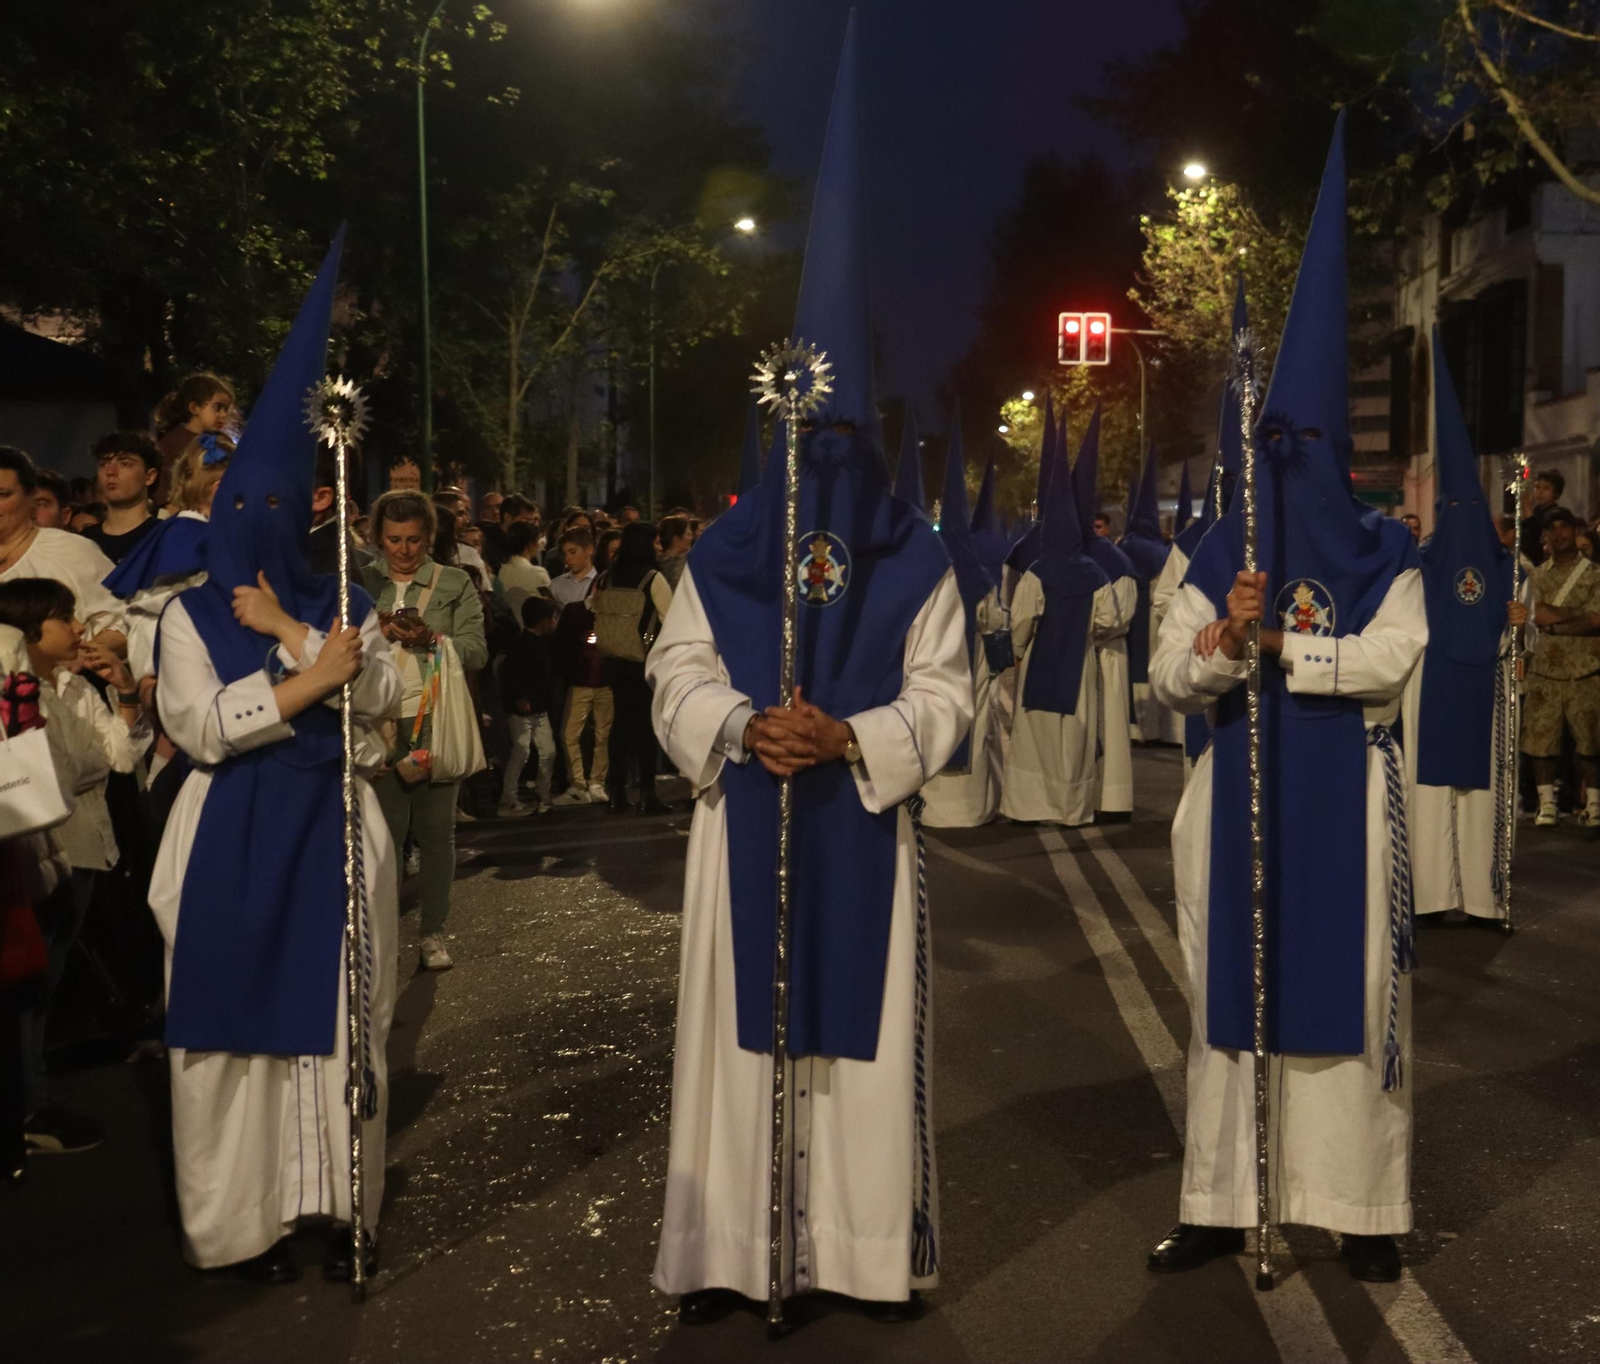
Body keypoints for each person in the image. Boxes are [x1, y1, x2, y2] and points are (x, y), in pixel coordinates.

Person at [648, 20, 971, 1319]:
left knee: (859, 1041)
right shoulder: (726, 553)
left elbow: (946, 692)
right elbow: (673, 674)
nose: (822, 454)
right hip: (743, 821)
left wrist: (848, 737)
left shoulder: (914, 555)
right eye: (804, 430)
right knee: (738, 1041)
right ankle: (732, 1251)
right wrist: (741, 726)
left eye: (840, 431)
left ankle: (853, 1253)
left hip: (860, 823)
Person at [1147, 117, 1424, 1285]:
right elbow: (1167, 674)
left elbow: (1393, 657)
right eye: (1277, 437)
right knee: (1226, 992)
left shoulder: (1383, 548)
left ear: (1338, 444)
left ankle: (1359, 1207)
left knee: (1349, 992)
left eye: (1309, 437)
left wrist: (1282, 647)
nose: (1291, 454)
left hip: (1345, 798)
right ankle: (1220, 1199)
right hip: (1232, 798)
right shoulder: (1217, 548)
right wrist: (1220, 641)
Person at [150, 236, 403, 1283]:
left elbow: (383, 699)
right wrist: (308, 682)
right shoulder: (183, 616)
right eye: (237, 505)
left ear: (306, 510)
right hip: (227, 832)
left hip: (330, 830)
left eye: (275, 507)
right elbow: (202, 727)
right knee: (232, 1044)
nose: (255, 523)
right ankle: (239, 1221)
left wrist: (298, 634)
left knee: (340, 1023)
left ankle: (335, 1203)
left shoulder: (346, 605)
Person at [0, 579, 147, 1156]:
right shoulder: (18, 697)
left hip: (87, 847)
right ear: (29, 629)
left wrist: (125, 692)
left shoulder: (73, 686)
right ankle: (29, 1108)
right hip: (42, 855)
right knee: (29, 988)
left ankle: (33, 1100)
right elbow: (58, 775)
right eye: (65, 618)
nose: (81, 628)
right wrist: (94, 757)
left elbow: (122, 756)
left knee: (46, 986)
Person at [1405, 328, 1518, 927]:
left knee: (1481, 797)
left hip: (1485, 690)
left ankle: (1481, 895)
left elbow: (1521, 631)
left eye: (1471, 509)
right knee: (1428, 797)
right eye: (1455, 509)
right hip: (1429, 684)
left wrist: (1519, 621)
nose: (1463, 519)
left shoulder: (1508, 568)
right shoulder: (1416, 562)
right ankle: (1430, 895)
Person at [364, 490, 487, 970]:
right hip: (377, 723)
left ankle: (433, 932)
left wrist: (432, 638)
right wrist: (375, 631)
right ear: (378, 537)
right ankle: (383, 935)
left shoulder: (454, 582)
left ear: (429, 537)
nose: (403, 550)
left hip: (434, 718)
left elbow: (476, 650)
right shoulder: (360, 580)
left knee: (436, 835)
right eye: (393, 539)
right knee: (385, 839)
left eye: (413, 540)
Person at [1001, 408, 1116, 827]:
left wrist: (1017, 650)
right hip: (1079, 667)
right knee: (1075, 741)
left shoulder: (1038, 570)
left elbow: (1021, 620)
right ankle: (1072, 809)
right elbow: (1109, 621)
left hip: (1040, 664)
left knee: (1037, 740)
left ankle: (1032, 806)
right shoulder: (1096, 573)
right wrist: (1084, 633)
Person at [920, 415, 1005, 826]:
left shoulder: (926, 567)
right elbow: (993, 621)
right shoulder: (976, 573)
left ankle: (933, 809)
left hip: (927, 665)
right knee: (974, 726)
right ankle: (969, 809)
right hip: (971, 668)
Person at [1070, 410, 1137, 818]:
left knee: (1109, 728)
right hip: (1077, 655)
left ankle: (1110, 801)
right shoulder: (1062, 556)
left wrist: (1074, 626)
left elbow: (1119, 616)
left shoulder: (1114, 560)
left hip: (1105, 654)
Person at [1520, 506, 1600, 826]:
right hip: (1544, 668)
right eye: (1551, 528)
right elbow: (1535, 614)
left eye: (1564, 526)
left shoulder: (1594, 573)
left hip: (1586, 668)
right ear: (1545, 536)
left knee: (1591, 740)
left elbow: (1595, 620)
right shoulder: (1536, 576)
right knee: (1541, 739)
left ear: (1574, 530)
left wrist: (1553, 623)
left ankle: (1593, 804)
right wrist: (1576, 613)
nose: (1559, 533)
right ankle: (1547, 804)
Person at [0, 447, 125, 650]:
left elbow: (125, 621)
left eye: (2, 495)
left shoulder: (71, 550)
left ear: (31, 497)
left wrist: (86, 655)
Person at [593, 521, 672, 815]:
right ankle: (647, 795)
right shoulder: (653, 578)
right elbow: (670, 617)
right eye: (655, 542)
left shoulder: (607, 576)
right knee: (645, 728)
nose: (658, 547)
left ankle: (616, 793)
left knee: (620, 726)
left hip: (613, 659)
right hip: (644, 659)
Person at [1120, 444, 1182, 746]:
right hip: (1157, 619)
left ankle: (1139, 728)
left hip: (1133, 619)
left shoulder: (1125, 547)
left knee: (1136, 669)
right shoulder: (1162, 550)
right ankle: (1160, 729)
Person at [550, 527, 612, 804]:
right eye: (565, 553)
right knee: (571, 732)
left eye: (572, 552)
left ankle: (596, 782)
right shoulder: (558, 587)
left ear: (589, 551)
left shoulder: (604, 581)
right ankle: (578, 783)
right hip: (578, 672)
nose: (568, 559)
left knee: (602, 732)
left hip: (603, 672)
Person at [498, 596, 560, 817]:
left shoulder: (542, 642)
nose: (555, 622)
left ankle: (543, 796)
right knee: (521, 752)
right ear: (544, 620)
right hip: (522, 710)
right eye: (553, 618)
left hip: (539, 708)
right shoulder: (522, 644)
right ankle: (508, 800)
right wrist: (519, 697)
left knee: (547, 751)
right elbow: (508, 673)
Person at [80, 432, 161, 565]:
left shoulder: (163, 536)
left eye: (125, 464)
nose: (110, 472)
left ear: (149, 476)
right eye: (103, 464)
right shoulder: (86, 539)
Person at [155, 373, 235, 468]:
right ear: (194, 408)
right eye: (217, 408)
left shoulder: (224, 441)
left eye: (226, 409)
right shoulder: (172, 444)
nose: (223, 415)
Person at [498, 521, 551, 620]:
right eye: (538, 540)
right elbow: (551, 607)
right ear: (531, 544)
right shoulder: (538, 573)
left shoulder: (502, 570)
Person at [1519, 468, 1566, 565]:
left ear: (1556, 492)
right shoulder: (1536, 511)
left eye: (1546, 488)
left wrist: (1528, 510)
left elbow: (1537, 534)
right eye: (1537, 487)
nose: (1540, 492)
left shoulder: (1556, 513)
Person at [656, 515, 693, 590]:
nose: (691, 538)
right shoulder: (685, 566)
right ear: (676, 540)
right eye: (688, 534)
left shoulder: (655, 563)